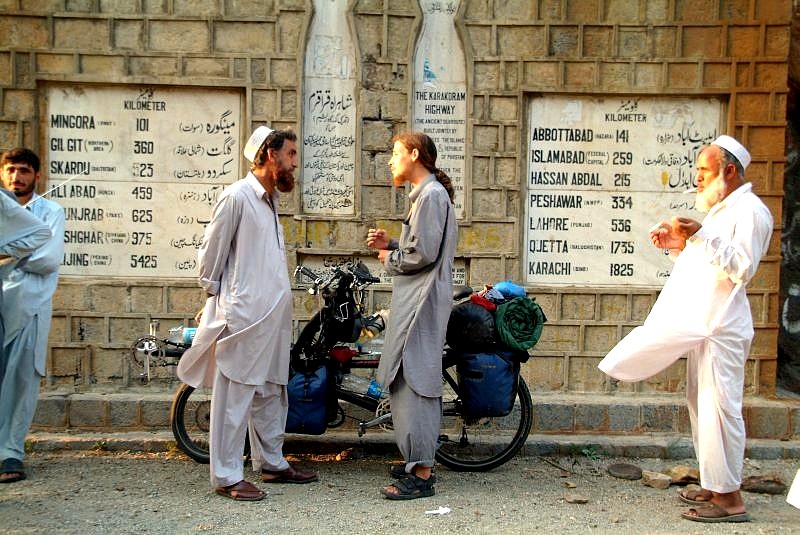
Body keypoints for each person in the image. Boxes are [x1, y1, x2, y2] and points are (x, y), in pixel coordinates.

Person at [598, 135, 773, 523]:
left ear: (728, 171)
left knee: (720, 410)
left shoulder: (751, 212)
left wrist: (699, 235)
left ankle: (730, 500)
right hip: (703, 325)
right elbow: (707, 265)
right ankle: (714, 484)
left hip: (721, 327)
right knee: (701, 407)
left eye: (703, 170)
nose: (696, 178)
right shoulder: (722, 211)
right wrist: (679, 244)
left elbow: (742, 269)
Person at [177, 126, 317, 502]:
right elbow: (210, 260)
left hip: (271, 319)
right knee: (234, 395)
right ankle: (225, 475)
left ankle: (271, 462)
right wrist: (215, 301)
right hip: (242, 317)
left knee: (272, 391)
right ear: (270, 155)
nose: (294, 164)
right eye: (290, 155)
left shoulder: (269, 202)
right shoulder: (236, 197)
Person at [366, 132, 457, 500]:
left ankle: (421, 473)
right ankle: (415, 461)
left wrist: (392, 259)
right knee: (407, 379)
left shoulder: (432, 196)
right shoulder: (426, 196)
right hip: (416, 301)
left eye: (396, 153)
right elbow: (419, 247)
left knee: (417, 382)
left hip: (422, 305)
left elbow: (424, 255)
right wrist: (393, 244)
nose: (390, 160)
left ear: (414, 155)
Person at [0, 148, 64, 484]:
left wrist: (7, 256)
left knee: (22, 379)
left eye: (24, 171)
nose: (17, 177)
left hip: (31, 305)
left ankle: (11, 452)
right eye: (10, 170)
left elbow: (47, 260)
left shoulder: (50, 212)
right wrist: (23, 253)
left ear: (37, 176)